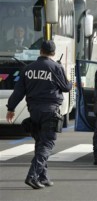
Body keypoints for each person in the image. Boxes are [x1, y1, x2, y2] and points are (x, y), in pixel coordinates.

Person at [6, 40, 72, 189]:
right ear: (53, 53)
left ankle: (43, 176)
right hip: (50, 111)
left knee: (40, 143)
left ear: (40, 50)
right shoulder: (56, 67)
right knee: (47, 144)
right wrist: (63, 70)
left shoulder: (28, 69)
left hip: (34, 111)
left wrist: (11, 108)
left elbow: (18, 92)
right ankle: (32, 175)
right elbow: (67, 87)